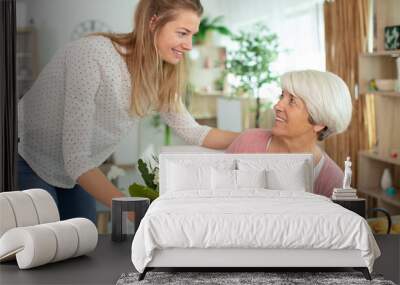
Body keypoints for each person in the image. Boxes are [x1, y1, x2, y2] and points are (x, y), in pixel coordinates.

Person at [17, 0, 239, 223]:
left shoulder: (159, 76)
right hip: (26, 155)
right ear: (153, 23)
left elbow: (195, 132)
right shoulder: (93, 55)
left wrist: (262, 138)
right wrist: (139, 213)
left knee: (82, 243)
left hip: (74, 173)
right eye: (182, 33)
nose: (190, 45)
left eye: (192, 35)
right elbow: (76, 159)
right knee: (44, 244)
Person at [226, 70, 353, 197]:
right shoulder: (247, 142)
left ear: (319, 122)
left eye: (292, 101)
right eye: (282, 96)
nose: (277, 105)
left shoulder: (333, 182)